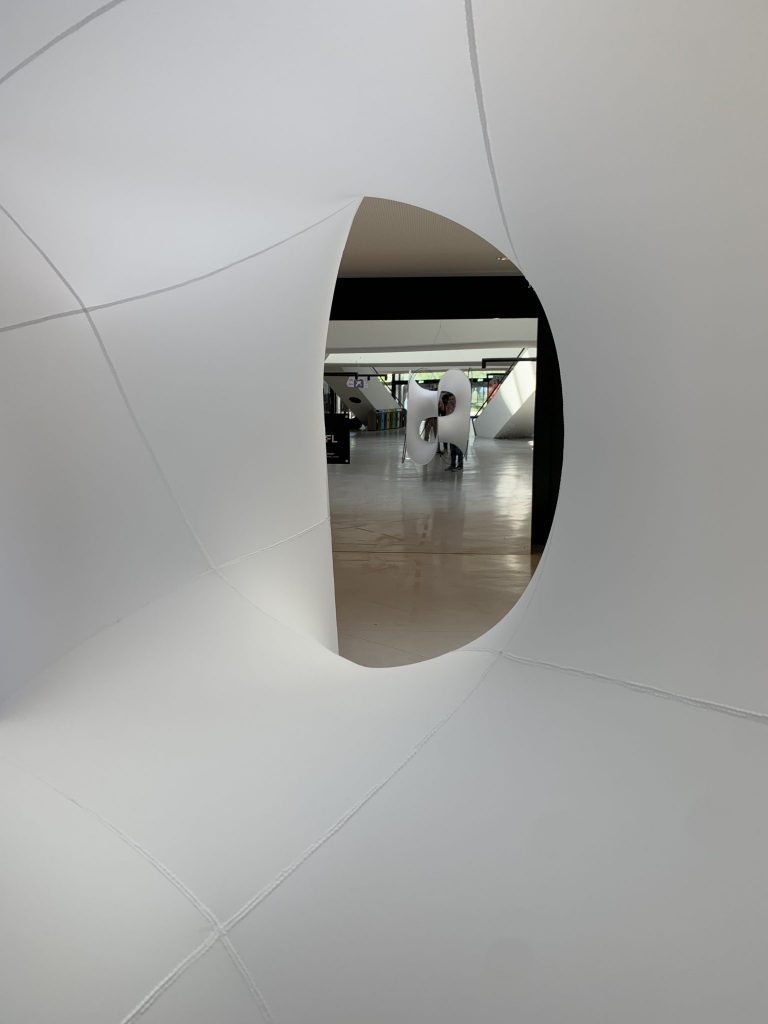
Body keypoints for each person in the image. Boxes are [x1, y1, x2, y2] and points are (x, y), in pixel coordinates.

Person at [438, 391, 463, 471]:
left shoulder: (458, 407)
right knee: (452, 449)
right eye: (450, 400)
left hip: (458, 430)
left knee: (458, 448)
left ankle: (460, 465)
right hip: (451, 429)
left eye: (452, 399)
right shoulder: (448, 406)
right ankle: (452, 465)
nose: (451, 401)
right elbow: (446, 415)